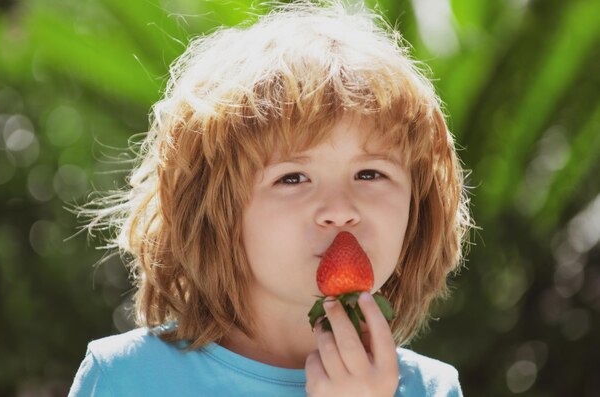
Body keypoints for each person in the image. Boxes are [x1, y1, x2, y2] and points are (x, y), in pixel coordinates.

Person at [69, 0, 473, 395]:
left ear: (418, 208)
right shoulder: (127, 379)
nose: (339, 210)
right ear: (218, 210)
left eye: (370, 173)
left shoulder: (432, 389)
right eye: (293, 177)